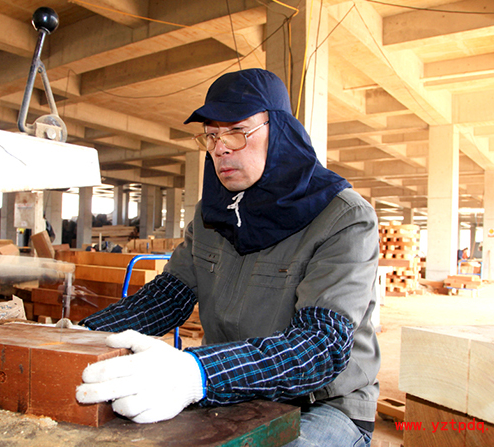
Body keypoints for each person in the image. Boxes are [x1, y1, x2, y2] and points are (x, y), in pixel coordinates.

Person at [75, 69, 380, 447]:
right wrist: (82, 335)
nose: (221, 148)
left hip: (321, 403)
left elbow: (319, 348)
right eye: (212, 135)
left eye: (237, 131)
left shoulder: (342, 218)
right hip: (227, 390)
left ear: (280, 133)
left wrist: (197, 374)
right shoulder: (213, 215)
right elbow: (167, 298)